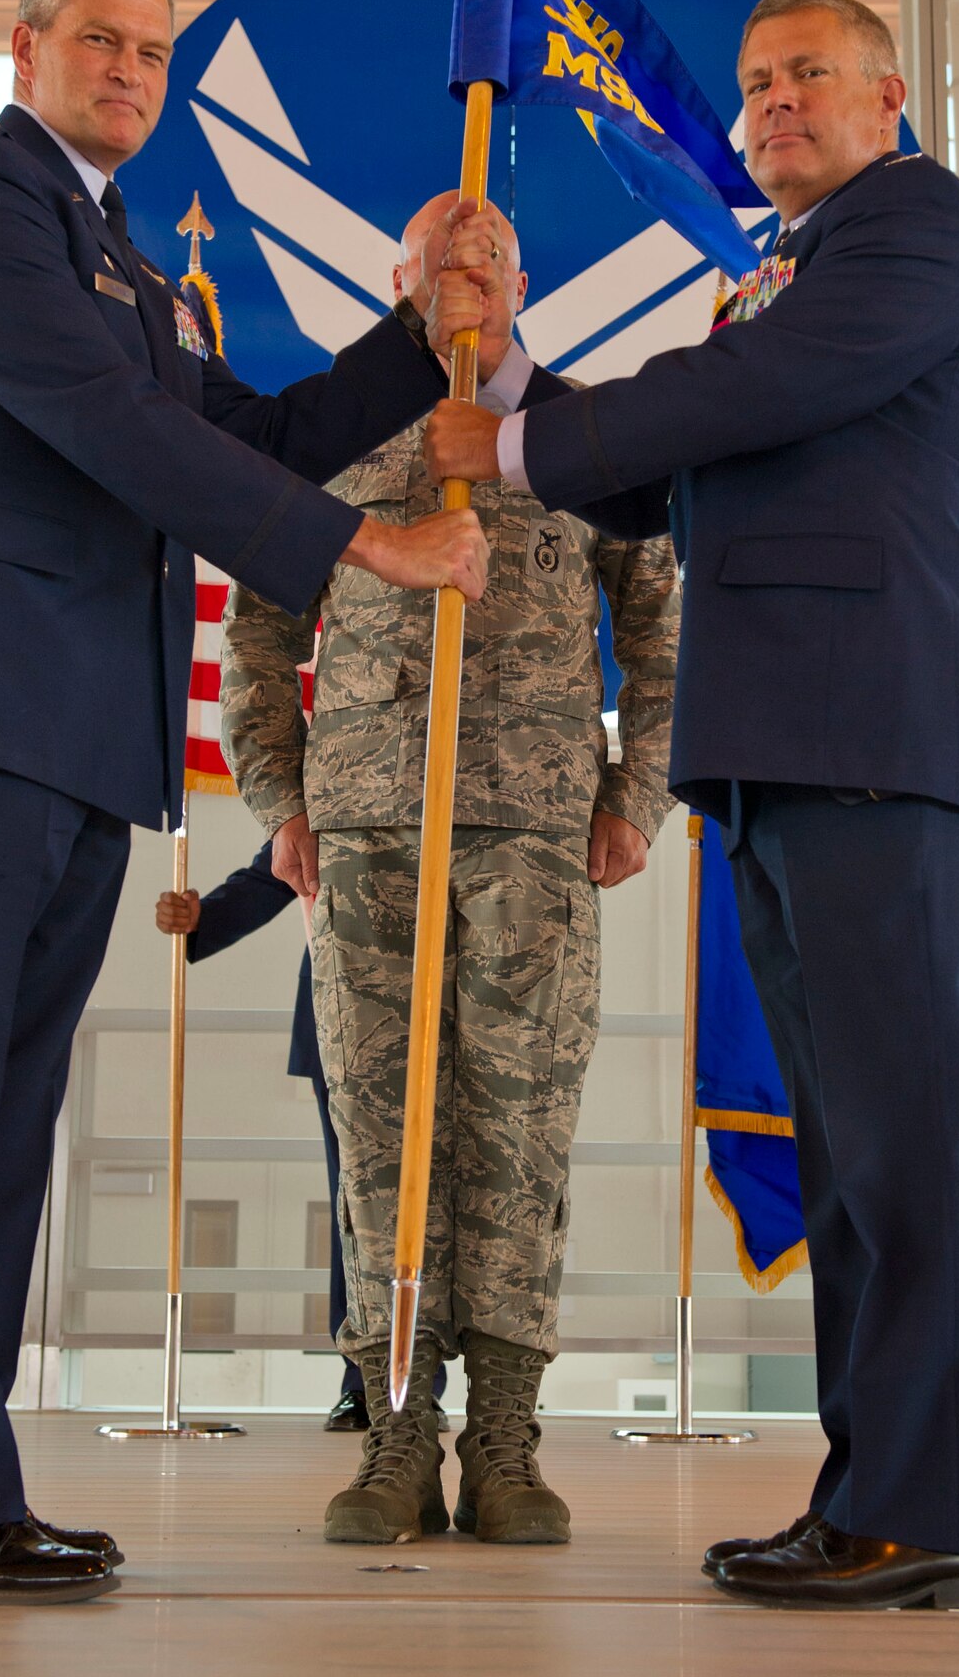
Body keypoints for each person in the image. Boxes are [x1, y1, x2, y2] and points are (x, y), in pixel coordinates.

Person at [0, 0, 488, 1606]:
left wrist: (415, 335)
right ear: (22, 41)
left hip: (64, 739)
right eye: (99, 40)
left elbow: (225, 437)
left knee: (0, 1131)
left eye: (150, 52)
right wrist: (364, 556)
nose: (128, 72)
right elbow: (107, 430)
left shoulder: (114, 253)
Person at [423, 0, 959, 1611]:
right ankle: (876, 1498)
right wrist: (507, 384)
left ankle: (920, 1511)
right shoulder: (784, 276)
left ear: (890, 97)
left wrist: (508, 456)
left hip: (872, 726)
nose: (772, 103)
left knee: (898, 1138)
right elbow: (667, 462)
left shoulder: (908, 230)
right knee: (847, 1138)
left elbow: (738, 406)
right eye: (756, 81)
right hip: (781, 737)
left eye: (808, 77)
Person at [221, 192, 679, 1548]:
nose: (469, 278)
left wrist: (638, 795)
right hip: (366, 833)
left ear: (526, 280)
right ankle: (398, 1435)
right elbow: (257, 624)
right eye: (443, 262)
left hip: (534, 837)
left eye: (491, 260)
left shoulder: (585, 435)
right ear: (399, 278)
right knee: (381, 1138)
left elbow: (661, 625)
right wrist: (280, 796)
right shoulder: (332, 428)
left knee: (517, 1139)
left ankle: (508, 1440)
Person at [154, 844, 449, 1430]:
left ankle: (419, 1382)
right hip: (339, 1015)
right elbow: (273, 871)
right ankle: (364, 1382)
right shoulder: (334, 772)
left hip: (440, 1008)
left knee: (430, 1204)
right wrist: (201, 920)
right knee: (355, 1206)